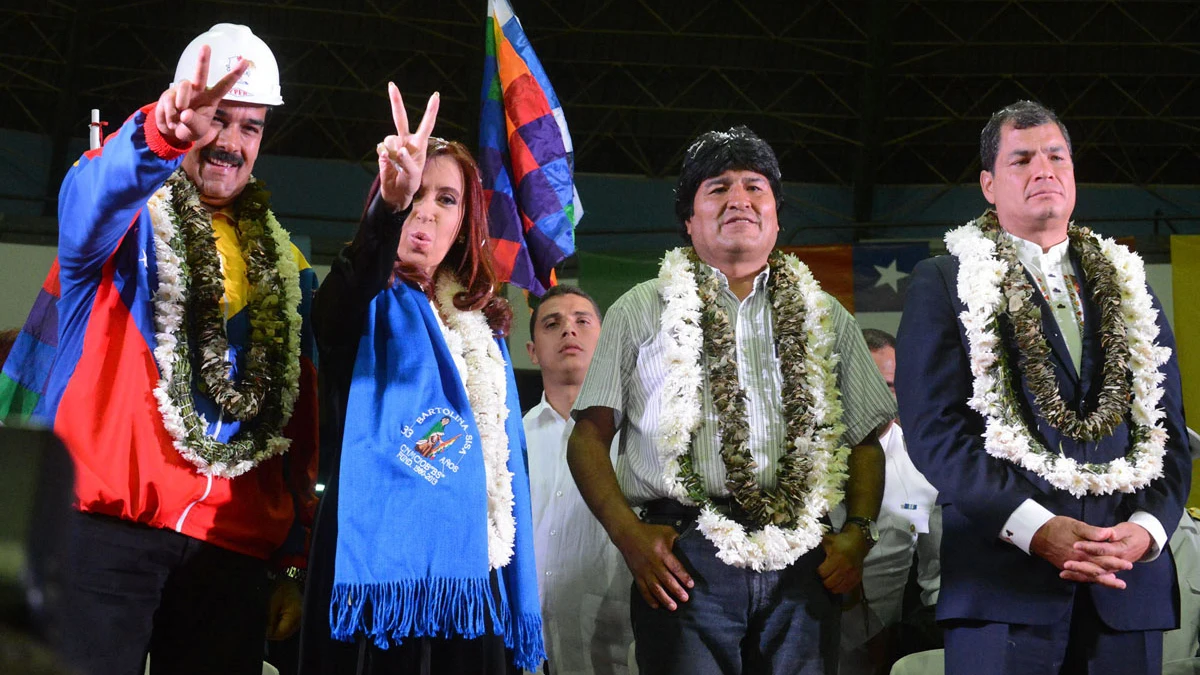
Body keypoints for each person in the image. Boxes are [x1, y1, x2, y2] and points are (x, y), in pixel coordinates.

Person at [3, 23, 320, 675]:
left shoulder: (288, 267)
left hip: (227, 553)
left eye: (250, 126)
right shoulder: (122, 216)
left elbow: (298, 424)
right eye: (217, 120)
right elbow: (87, 196)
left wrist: (292, 556)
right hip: (100, 529)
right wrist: (162, 132)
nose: (230, 142)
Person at [568, 126, 896, 675]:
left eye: (755, 186)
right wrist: (629, 537)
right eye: (717, 188)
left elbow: (866, 440)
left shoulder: (825, 314)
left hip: (803, 559)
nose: (739, 198)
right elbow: (588, 438)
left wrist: (857, 535)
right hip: (684, 556)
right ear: (689, 221)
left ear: (775, 215)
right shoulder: (640, 307)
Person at [896, 100, 1191, 675]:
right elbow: (936, 433)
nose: (1044, 170)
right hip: (1003, 586)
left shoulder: (1132, 286)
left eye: (1057, 156)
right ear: (988, 184)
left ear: (1074, 174)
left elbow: (1169, 433)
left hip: (1126, 583)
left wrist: (1146, 530)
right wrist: (1035, 528)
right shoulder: (944, 282)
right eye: (1022, 159)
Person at [298, 84, 543, 675]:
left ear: (464, 224)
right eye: (414, 194)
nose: (425, 210)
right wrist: (388, 208)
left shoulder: (484, 332)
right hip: (377, 580)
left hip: (473, 585)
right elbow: (334, 309)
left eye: (446, 199)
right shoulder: (360, 304)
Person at [523, 284, 634, 674]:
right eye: (552, 323)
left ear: (604, 342)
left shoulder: (639, 439)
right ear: (532, 351)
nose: (568, 330)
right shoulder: (508, 442)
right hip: (528, 652)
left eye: (582, 321)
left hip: (620, 646)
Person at [838, 329, 941, 675]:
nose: (876, 398)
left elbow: (937, 573)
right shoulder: (803, 454)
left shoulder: (925, 458)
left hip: (886, 643)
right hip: (808, 628)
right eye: (863, 384)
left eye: (888, 386)